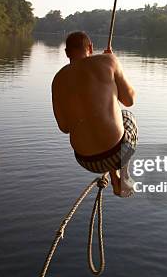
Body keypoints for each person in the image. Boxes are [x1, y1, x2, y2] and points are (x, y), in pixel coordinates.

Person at [51, 31, 138, 197]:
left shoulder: (58, 80)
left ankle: (114, 176)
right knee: (126, 115)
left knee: (101, 122)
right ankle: (124, 178)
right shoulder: (108, 61)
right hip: (116, 152)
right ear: (90, 47)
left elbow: (64, 127)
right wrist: (116, 68)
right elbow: (130, 100)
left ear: (67, 52)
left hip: (87, 161)